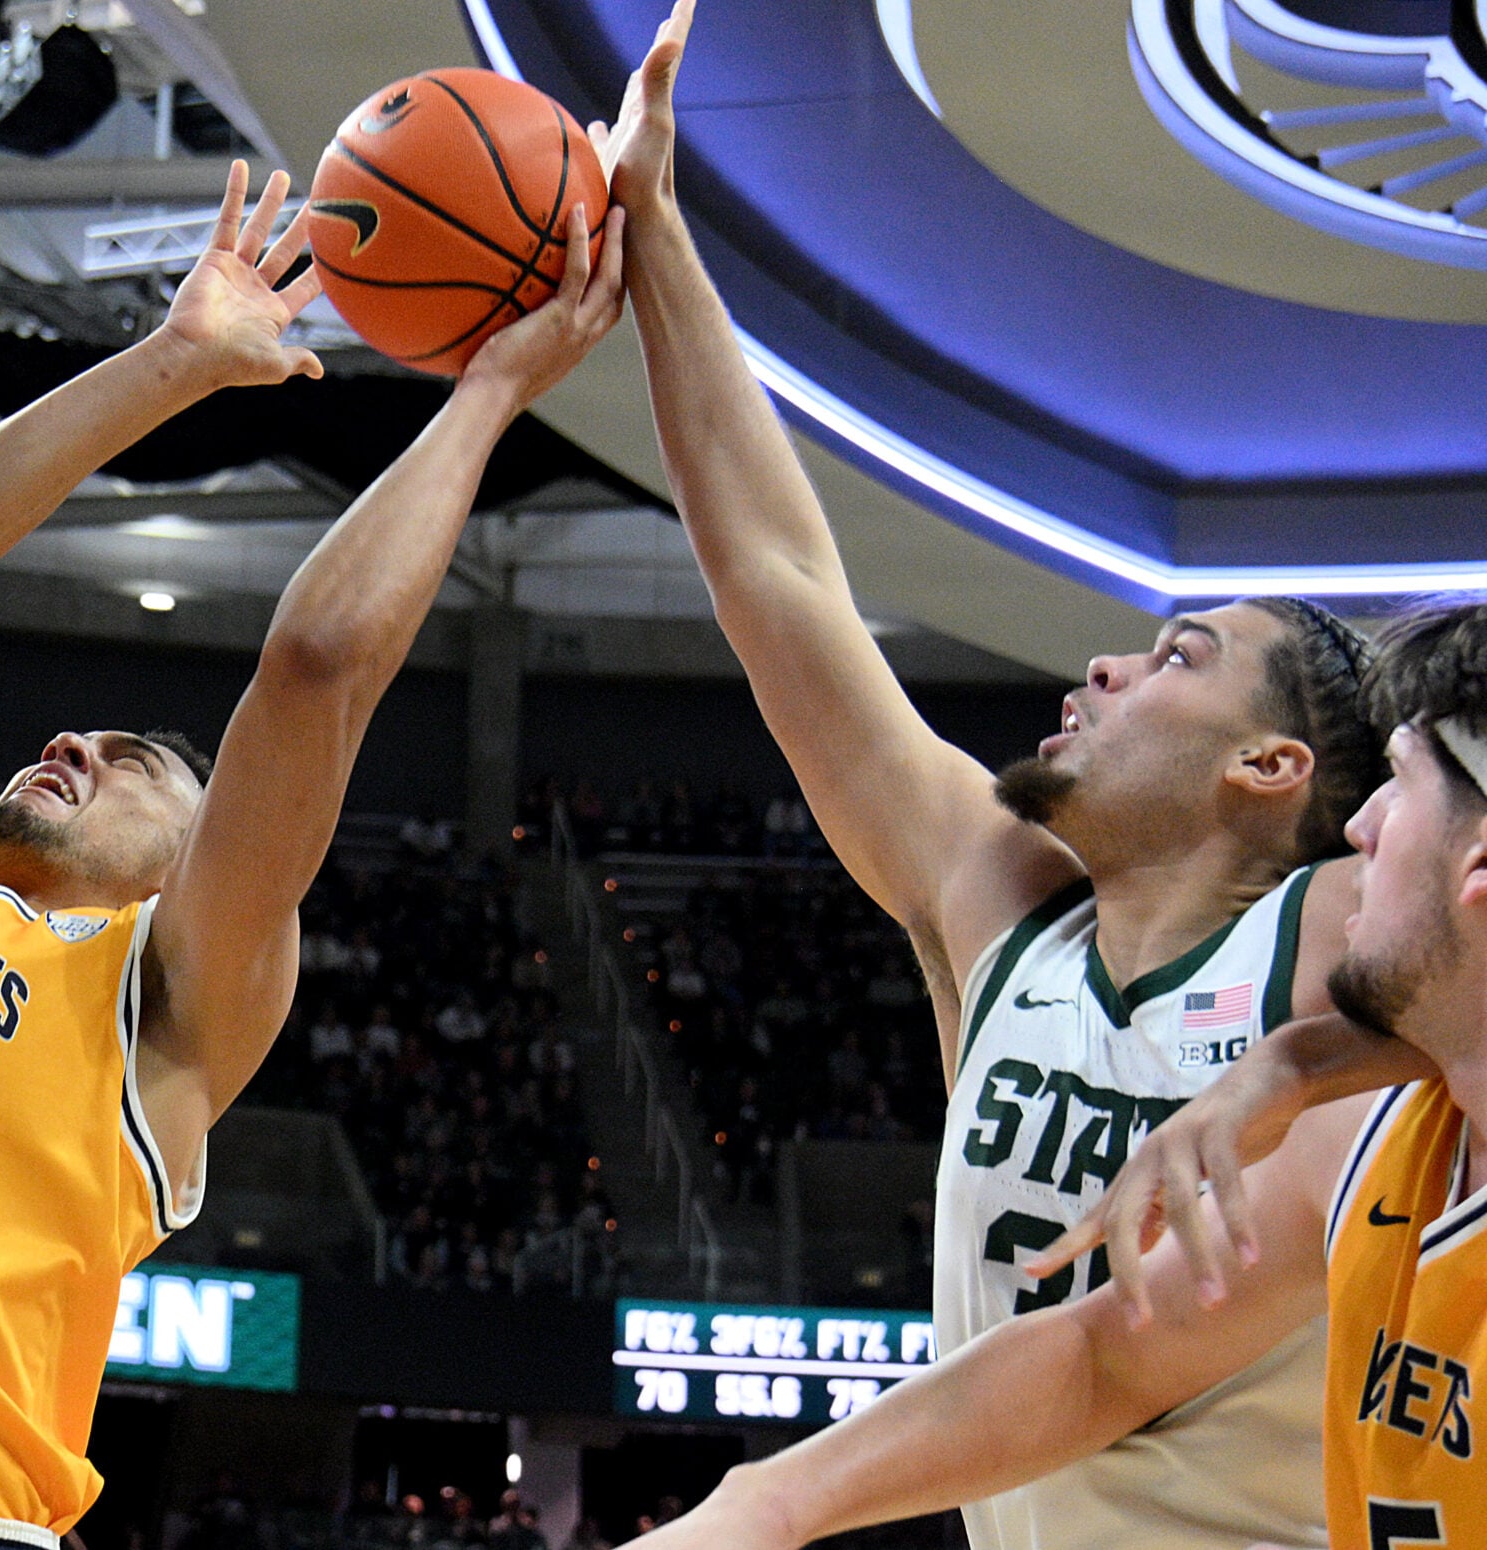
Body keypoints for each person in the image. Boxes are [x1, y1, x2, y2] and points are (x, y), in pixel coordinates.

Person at [0, 162, 627, 1548]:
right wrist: (169, 365)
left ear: (187, 866)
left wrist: (489, 395)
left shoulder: (166, 1002)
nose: (75, 748)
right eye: (82, 739)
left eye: (136, 765)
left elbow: (319, 664)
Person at [590, 4, 1384, 1546]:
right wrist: (657, 235)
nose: (1099, 668)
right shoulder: (997, 905)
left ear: (1272, 765)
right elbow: (779, 583)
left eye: (1175, 655)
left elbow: (1104, 1364)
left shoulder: (1345, 936)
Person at [620, 600, 1487, 1548]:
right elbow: (1092, 1358)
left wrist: (1291, 1056)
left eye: (1401, 788)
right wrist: (767, 1505)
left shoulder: (1310, 942)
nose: (1363, 830)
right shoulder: (1349, 1153)